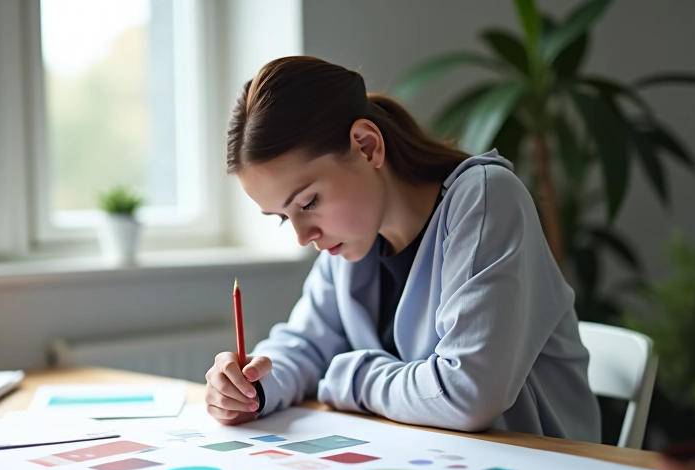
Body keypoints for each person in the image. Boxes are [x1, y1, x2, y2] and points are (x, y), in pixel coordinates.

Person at [205, 56, 601, 442]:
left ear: (366, 145)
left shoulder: (484, 200)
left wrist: (353, 378)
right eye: (282, 216)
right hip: (432, 469)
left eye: (308, 203)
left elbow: (468, 393)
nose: (302, 235)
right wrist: (252, 387)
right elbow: (306, 345)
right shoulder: (349, 242)